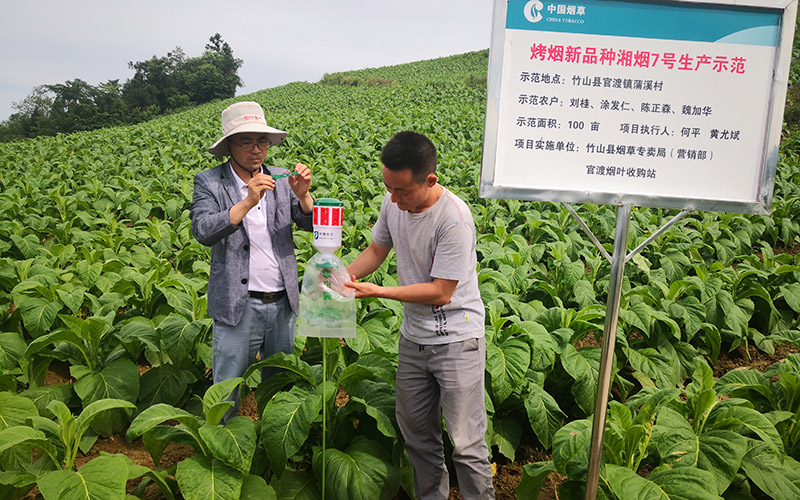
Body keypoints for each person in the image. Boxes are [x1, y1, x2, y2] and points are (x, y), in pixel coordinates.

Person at [345, 131, 495, 500]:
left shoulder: (454, 219)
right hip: (414, 340)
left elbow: (440, 291)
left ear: (430, 180)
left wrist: (378, 291)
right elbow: (377, 249)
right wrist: (342, 276)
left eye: (402, 191)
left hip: (457, 340)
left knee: (466, 442)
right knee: (416, 437)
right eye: (389, 188)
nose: (394, 199)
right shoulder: (392, 199)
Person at [190, 101, 313, 421]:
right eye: (246, 141)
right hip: (236, 303)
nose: (256, 149)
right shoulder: (210, 182)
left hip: (281, 302)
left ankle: (275, 447)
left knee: (279, 386)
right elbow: (202, 230)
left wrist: (303, 197)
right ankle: (223, 447)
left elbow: (312, 227)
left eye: (262, 141)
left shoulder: (283, 178)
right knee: (227, 389)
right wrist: (247, 201)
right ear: (229, 145)